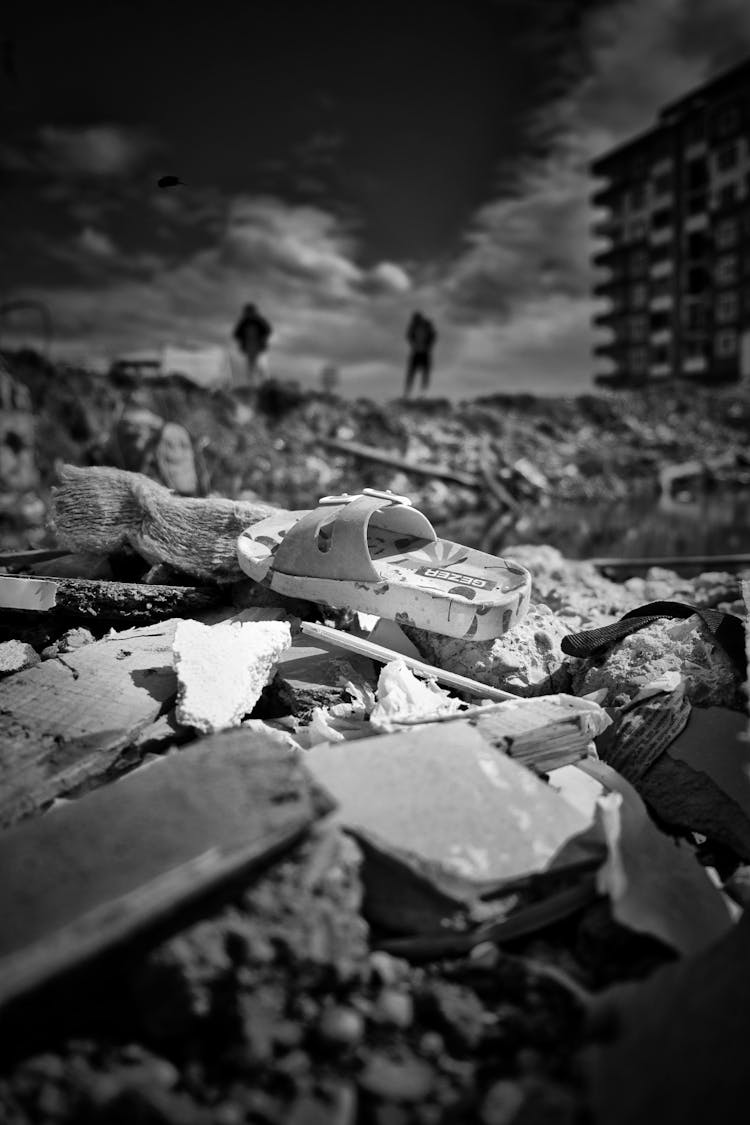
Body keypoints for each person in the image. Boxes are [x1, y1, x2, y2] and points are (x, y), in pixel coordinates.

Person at [232, 302, 272, 386]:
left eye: (250, 311)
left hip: (259, 347)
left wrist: (262, 340)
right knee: (250, 366)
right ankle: (251, 385)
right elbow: (236, 334)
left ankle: (265, 384)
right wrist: (243, 340)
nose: (249, 314)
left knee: (261, 365)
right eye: (247, 312)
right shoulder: (243, 322)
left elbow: (268, 330)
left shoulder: (259, 321)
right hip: (249, 347)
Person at [404, 311, 436, 397]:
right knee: (411, 372)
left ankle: (423, 393)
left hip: (425, 353)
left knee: (425, 373)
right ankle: (408, 392)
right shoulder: (413, 326)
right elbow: (409, 336)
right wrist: (413, 345)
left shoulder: (427, 325)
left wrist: (428, 346)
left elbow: (433, 336)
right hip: (416, 352)